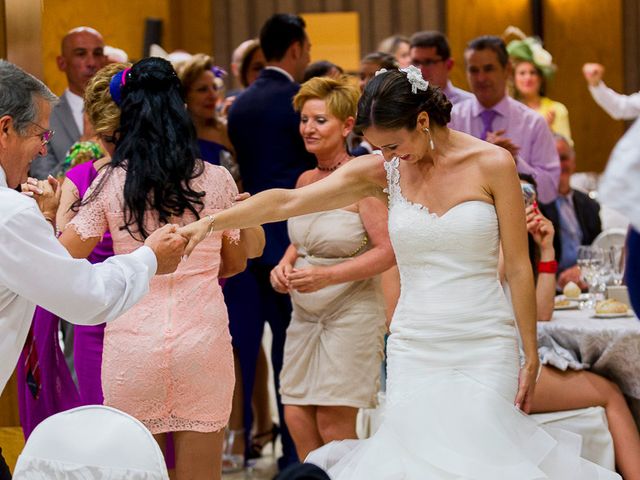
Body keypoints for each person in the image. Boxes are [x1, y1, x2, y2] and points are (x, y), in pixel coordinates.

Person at [178, 66, 618, 478]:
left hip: (485, 340)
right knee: (415, 460)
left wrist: (530, 352)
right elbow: (288, 202)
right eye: (378, 147)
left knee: (482, 457)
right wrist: (210, 222)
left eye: (392, 145)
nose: (386, 156)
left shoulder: (492, 164)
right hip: (415, 344)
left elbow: (519, 268)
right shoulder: (382, 170)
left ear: (423, 121)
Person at [58, 58, 264, 480]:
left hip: (133, 346)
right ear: (180, 109)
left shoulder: (110, 183)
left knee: (138, 473)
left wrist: (58, 209)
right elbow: (236, 262)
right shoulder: (217, 179)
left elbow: (67, 256)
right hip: (202, 341)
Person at [272, 77, 393, 460]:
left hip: (352, 311)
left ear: (346, 125)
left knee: (333, 422)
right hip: (305, 315)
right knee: (295, 415)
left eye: (320, 120)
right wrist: (285, 262)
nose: (308, 128)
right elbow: (307, 237)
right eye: (305, 119)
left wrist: (327, 275)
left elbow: (389, 250)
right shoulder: (305, 180)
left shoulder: (362, 178)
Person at [505, 176, 640, 479]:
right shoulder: (497, 246)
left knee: (606, 379)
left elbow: (541, 313)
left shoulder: (511, 246)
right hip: (501, 368)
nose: (529, 206)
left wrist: (547, 251)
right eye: (523, 199)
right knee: (612, 392)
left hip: (513, 358)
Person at [226, 13, 315, 470]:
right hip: (291, 240)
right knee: (289, 347)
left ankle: (238, 448)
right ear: (296, 49)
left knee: (243, 345)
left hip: (248, 239)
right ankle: (294, 457)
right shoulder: (295, 101)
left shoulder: (239, 106)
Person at [449, 35, 560, 204]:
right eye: (474, 70)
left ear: (507, 69)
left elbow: (550, 191)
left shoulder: (533, 123)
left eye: (488, 69)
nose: (481, 78)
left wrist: (514, 162)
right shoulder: (452, 120)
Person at [30, 26, 106, 179]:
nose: (91, 62)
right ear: (62, 63)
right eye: (81, 54)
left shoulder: (121, 109)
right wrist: (83, 146)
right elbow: (43, 180)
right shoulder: (42, 116)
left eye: (97, 54)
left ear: (104, 61)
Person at [539, 135, 601, 289]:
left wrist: (584, 270)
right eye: (553, 158)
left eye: (564, 158)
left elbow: (599, 248)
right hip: (549, 288)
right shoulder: (536, 204)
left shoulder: (589, 205)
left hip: (585, 286)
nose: (559, 165)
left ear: (573, 162)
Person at [176, 54, 237, 177]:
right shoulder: (173, 135)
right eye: (202, 89)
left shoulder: (225, 130)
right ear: (185, 95)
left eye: (214, 87)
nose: (213, 95)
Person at [507, 36, 572, 141]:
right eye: (522, 73)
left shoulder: (557, 109)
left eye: (533, 73)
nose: (528, 78)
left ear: (541, 78)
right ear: (514, 79)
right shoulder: (508, 111)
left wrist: (548, 130)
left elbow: (567, 152)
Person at [409, 30, 473, 106]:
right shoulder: (403, 104)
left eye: (429, 62)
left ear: (449, 65)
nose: (420, 70)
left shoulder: (468, 104)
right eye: (415, 62)